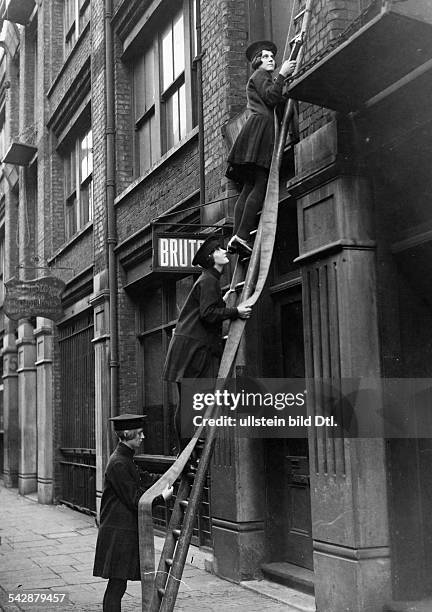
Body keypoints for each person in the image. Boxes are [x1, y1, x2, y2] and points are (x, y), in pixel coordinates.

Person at [163, 235, 252, 449]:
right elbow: (208, 314)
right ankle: (187, 451)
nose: (224, 252)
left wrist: (224, 299)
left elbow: (206, 309)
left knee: (189, 401)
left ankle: (186, 451)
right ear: (212, 257)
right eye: (220, 250)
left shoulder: (208, 280)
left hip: (188, 348)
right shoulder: (209, 280)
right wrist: (235, 311)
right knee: (190, 402)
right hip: (193, 349)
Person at [93, 413, 173, 612]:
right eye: (139, 433)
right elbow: (135, 500)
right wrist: (162, 498)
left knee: (118, 584)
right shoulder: (119, 462)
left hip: (120, 531)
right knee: (116, 585)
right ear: (127, 434)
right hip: (118, 533)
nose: (143, 437)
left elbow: (144, 479)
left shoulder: (124, 459)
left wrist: (170, 475)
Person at [226, 40, 297, 255]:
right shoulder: (260, 75)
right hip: (261, 131)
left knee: (249, 185)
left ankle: (237, 236)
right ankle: (242, 234)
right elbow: (272, 97)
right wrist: (283, 74)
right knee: (261, 181)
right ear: (257, 61)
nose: (271, 59)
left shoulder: (260, 78)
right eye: (265, 57)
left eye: (271, 57)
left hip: (255, 130)